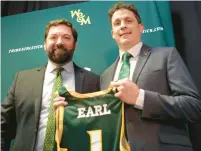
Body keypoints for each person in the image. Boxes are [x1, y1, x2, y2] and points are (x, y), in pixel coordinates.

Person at [100, 2, 201, 151]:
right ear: (113, 33)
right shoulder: (105, 76)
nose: (123, 26)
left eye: (128, 21)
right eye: (117, 23)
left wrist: (140, 97)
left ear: (141, 27)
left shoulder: (166, 56)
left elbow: (193, 107)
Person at [1, 19, 100, 151]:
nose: (59, 42)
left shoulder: (93, 81)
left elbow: (101, 129)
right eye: (53, 37)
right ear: (44, 44)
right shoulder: (22, 79)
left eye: (66, 37)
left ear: (75, 45)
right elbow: (3, 126)